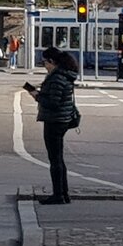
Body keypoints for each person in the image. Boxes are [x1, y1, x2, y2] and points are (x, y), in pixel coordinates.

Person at [28, 47, 79, 204]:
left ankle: (58, 195)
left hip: (55, 121)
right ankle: (63, 194)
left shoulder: (57, 78)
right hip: (61, 120)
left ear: (52, 62)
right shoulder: (64, 76)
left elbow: (53, 103)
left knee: (55, 160)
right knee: (58, 159)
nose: (44, 66)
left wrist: (37, 96)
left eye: (45, 63)